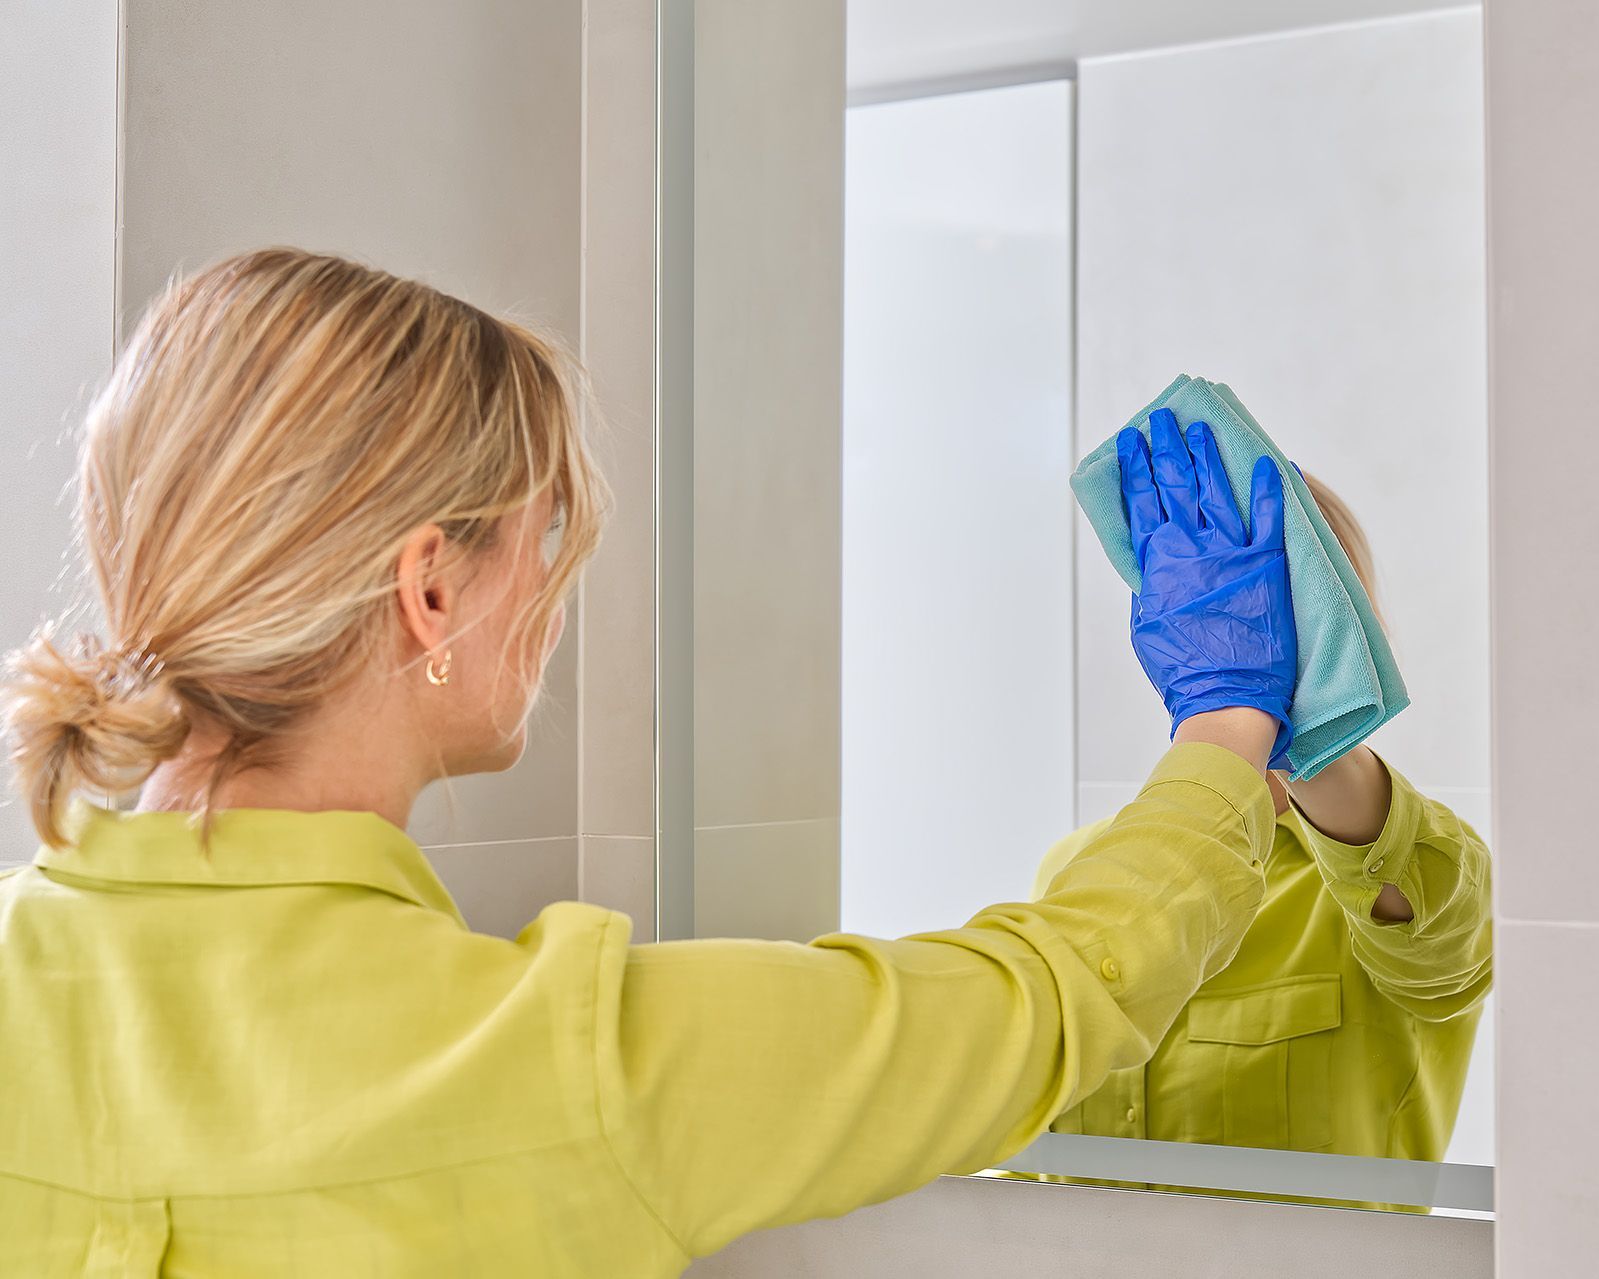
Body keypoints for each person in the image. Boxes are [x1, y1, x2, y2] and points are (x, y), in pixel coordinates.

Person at [0, 249, 1300, 1276]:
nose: (561, 585)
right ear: (431, 592)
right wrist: (1227, 716)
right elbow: (1048, 993)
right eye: (543, 526)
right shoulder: (564, 1061)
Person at [1034, 470, 1493, 1172]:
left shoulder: (1412, 884)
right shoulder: (1082, 865)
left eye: (1277, 612)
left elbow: (1444, 953)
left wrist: (1307, 725)